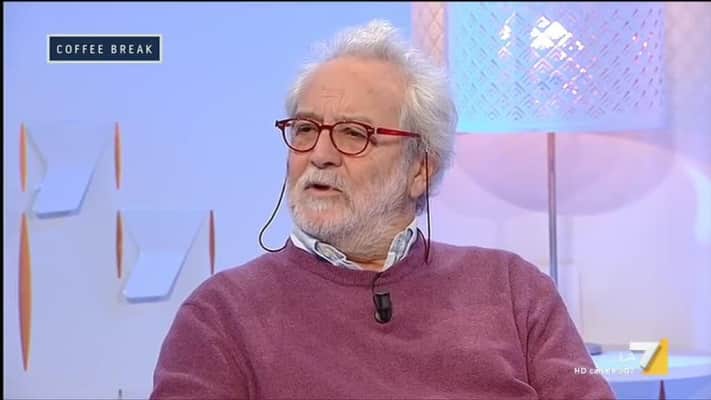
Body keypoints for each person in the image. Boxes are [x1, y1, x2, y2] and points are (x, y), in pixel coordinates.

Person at [150, 20, 615, 400]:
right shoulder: (220, 316)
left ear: (421, 170)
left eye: (354, 134)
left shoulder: (515, 291)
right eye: (306, 129)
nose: (320, 155)